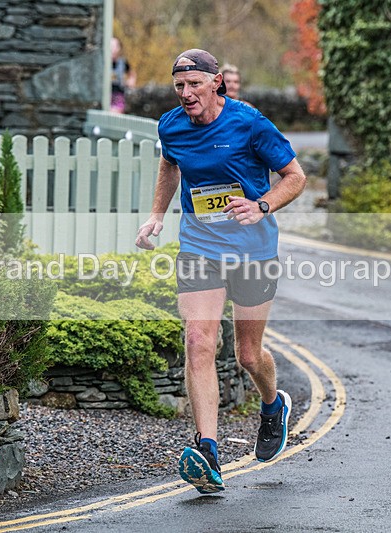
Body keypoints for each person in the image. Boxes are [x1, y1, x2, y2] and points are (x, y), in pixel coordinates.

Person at [136, 49, 306, 493]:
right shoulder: (171, 125)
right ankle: (208, 450)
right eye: (179, 86)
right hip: (200, 246)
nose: (186, 93)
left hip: (253, 249)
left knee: (249, 355)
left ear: (216, 83)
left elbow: (295, 176)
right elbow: (169, 164)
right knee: (198, 340)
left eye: (194, 84)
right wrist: (157, 214)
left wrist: (261, 204)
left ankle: (273, 405)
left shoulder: (249, 122)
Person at [110, 37, 136, 113]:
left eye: (115, 47)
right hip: (106, 95)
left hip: (118, 95)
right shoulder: (103, 62)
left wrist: (131, 81)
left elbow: (132, 74)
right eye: (111, 47)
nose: (113, 50)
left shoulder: (123, 62)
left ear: (119, 48)